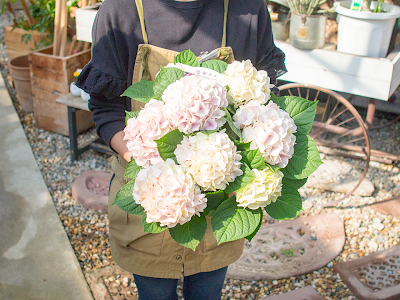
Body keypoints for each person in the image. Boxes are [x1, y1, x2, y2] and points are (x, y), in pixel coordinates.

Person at [76, 0, 286, 299]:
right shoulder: (120, 10)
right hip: (151, 199)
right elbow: (106, 108)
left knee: (207, 293)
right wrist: (148, 162)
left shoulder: (247, 9)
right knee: (155, 294)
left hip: (218, 204)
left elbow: (264, 96)